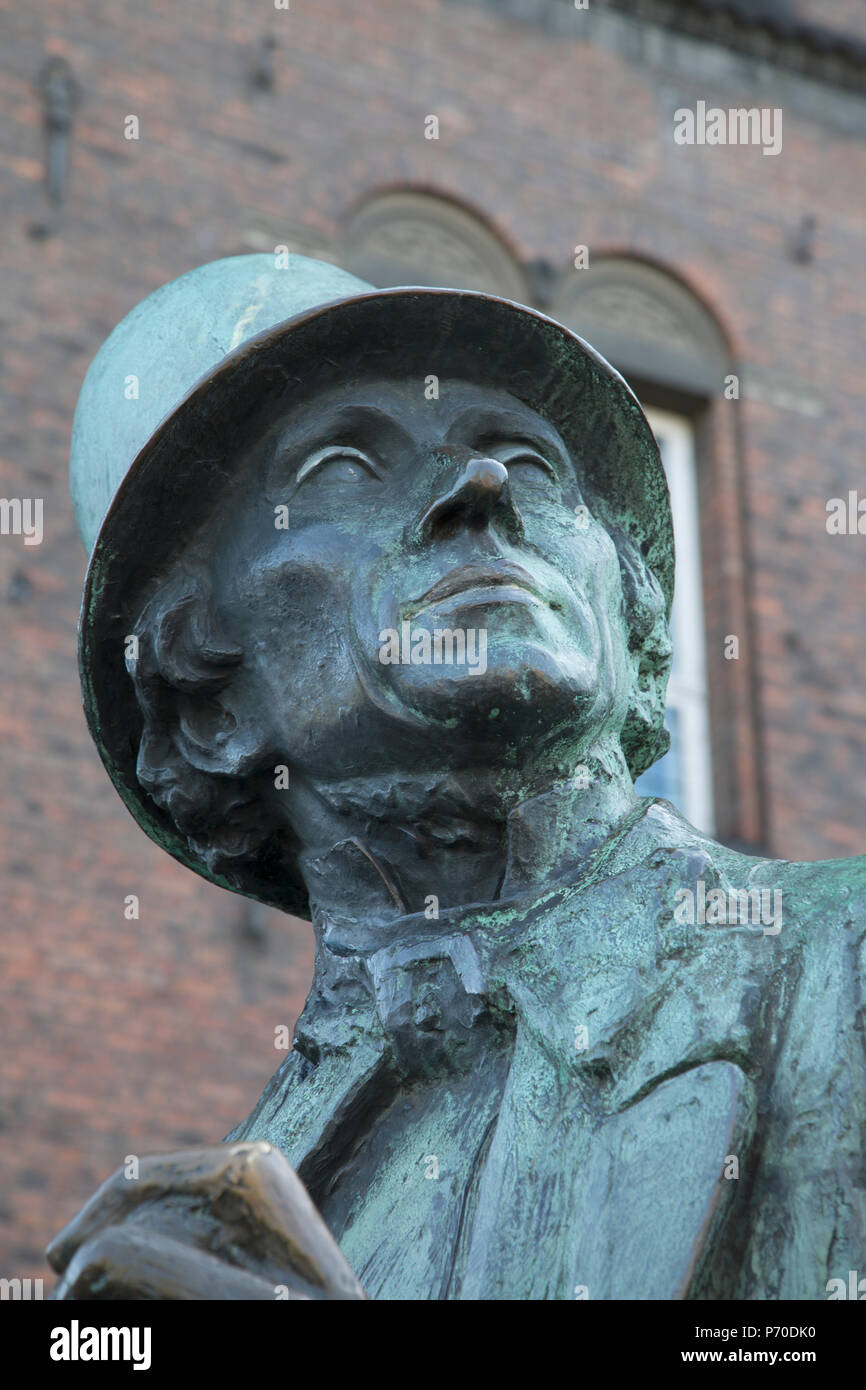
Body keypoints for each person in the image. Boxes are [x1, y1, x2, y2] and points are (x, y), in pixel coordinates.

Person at [50, 254, 866, 1300]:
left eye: (527, 461)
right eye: (341, 466)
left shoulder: (838, 961)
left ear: (631, 613)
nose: (477, 486)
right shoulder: (206, 1231)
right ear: (206, 702)